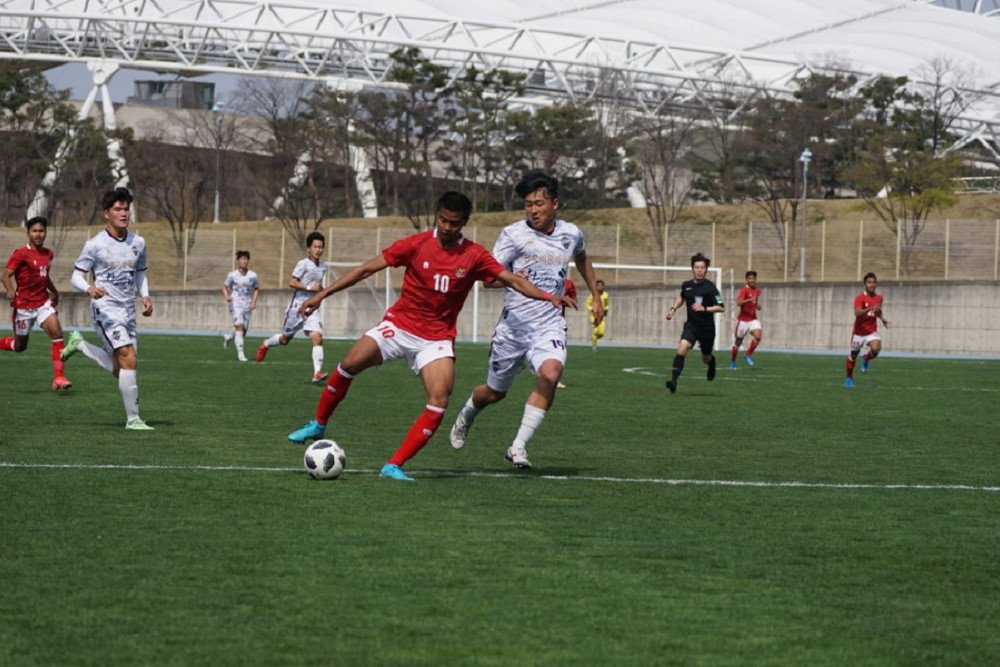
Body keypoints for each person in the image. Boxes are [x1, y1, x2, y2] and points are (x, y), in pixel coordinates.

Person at [285, 191, 573, 481]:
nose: (448, 228)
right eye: (443, 220)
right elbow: (365, 270)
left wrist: (549, 297)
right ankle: (318, 424)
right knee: (349, 363)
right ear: (437, 215)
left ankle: (393, 465)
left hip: (436, 338)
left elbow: (511, 279)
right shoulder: (416, 244)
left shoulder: (474, 255)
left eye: (455, 223)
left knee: (440, 398)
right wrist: (322, 294)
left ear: (464, 223)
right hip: (399, 325)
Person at [448, 171, 603, 469]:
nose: (533, 210)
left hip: (549, 324)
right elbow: (487, 279)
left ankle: (517, 446)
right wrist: (507, 280)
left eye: (538, 203)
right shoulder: (512, 235)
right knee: (493, 393)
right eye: (528, 204)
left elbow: (582, 257)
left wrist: (595, 296)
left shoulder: (571, 234)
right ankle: (466, 415)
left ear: (554, 203)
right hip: (513, 328)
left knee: (550, 373)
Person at [61, 187, 155, 430]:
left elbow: (140, 275)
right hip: (104, 310)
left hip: (128, 311)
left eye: (126, 209)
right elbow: (76, 276)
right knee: (129, 359)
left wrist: (145, 296)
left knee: (121, 369)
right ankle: (133, 420)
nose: (124, 213)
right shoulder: (94, 245)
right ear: (106, 213)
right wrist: (89, 289)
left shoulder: (139, 242)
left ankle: (80, 345)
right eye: (118, 209)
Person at [0, 216, 73, 390]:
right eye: (35, 231)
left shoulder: (48, 254)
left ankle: (59, 378)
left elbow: (44, 276)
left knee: (57, 333)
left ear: (45, 233)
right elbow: (4, 275)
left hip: (42, 303)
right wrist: (10, 290)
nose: (38, 234)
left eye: (41, 231)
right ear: (28, 233)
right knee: (20, 347)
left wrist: (54, 291)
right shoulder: (21, 254)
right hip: (23, 307)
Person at [256, 231, 328, 383]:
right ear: (309, 248)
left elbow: (319, 288)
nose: (318, 250)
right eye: (315, 247)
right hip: (297, 308)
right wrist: (309, 288)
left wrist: (318, 301)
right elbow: (292, 282)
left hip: (311, 309)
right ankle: (266, 344)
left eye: (321, 247)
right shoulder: (303, 264)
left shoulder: (323, 267)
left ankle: (317, 373)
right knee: (284, 340)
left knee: (317, 337)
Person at [664, 252, 724, 394]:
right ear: (692, 268)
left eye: (702, 267)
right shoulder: (686, 285)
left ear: (706, 269)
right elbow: (681, 297)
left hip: (707, 329)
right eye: (697, 267)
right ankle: (673, 382)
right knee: (682, 348)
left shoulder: (711, 287)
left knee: (705, 357)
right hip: (691, 326)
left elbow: (721, 307)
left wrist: (704, 308)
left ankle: (712, 362)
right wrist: (673, 308)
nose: (699, 270)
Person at [844, 272, 890, 388]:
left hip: (871, 331)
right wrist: (869, 307)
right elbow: (857, 313)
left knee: (876, 348)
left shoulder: (879, 298)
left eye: (874, 282)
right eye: (869, 282)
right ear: (865, 284)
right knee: (853, 356)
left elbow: (877, 310)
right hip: (858, 333)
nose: (872, 285)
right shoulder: (860, 298)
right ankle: (849, 378)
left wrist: (882, 319)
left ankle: (866, 358)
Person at [221, 250, 260, 362]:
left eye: (246, 259)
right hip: (235, 304)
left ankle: (229, 337)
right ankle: (241, 355)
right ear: (238, 261)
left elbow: (256, 288)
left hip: (247, 305)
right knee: (239, 327)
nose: (244, 261)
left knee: (243, 331)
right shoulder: (232, 275)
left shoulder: (253, 275)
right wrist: (227, 297)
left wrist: (254, 302)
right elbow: (224, 287)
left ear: (248, 261)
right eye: (242, 259)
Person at [730, 270, 762, 369]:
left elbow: (754, 302)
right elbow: (738, 303)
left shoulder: (757, 290)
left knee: (758, 336)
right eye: (750, 278)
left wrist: (757, 305)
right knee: (738, 342)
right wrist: (749, 300)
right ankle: (733, 362)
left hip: (753, 319)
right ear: (747, 280)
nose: (752, 280)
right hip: (743, 320)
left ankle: (747, 354)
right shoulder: (744, 290)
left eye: (753, 278)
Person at [586, 279, 610, 350]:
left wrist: (606, 309)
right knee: (595, 330)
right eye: (598, 285)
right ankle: (594, 347)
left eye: (602, 285)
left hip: (601, 316)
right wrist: (592, 310)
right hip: (594, 315)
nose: (600, 287)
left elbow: (607, 304)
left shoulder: (605, 295)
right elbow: (588, 304)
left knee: (601, 333)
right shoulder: (592, 295)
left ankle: (594, 338)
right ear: (596, 287)